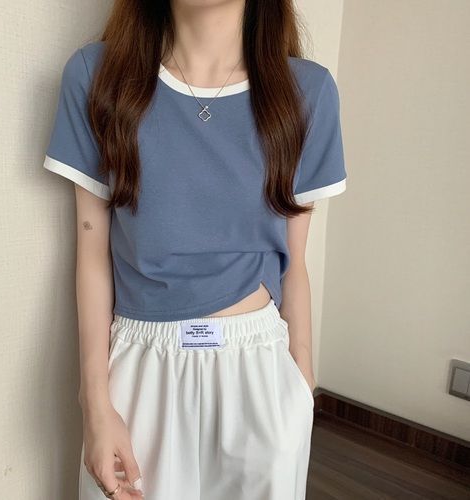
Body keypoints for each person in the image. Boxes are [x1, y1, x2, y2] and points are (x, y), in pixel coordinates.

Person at [43, 1, 347, 498]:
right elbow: (92, 255)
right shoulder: (97, 76)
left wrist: (300, 391)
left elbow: (295, 264)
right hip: (140, 369)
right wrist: (94, 403)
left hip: (259, 371)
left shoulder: (306, 91)